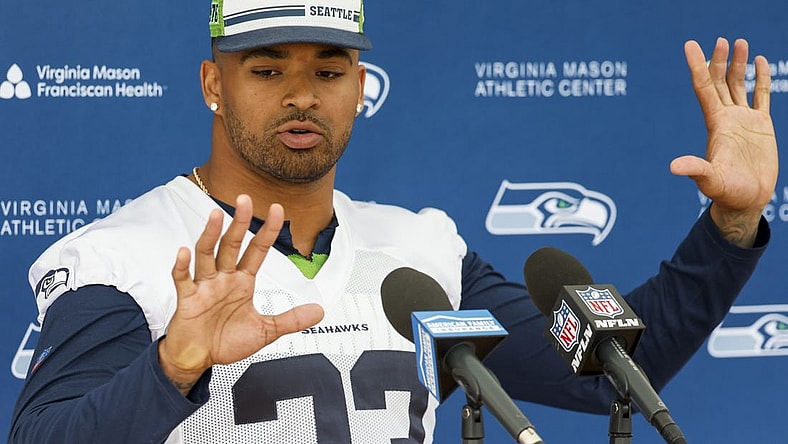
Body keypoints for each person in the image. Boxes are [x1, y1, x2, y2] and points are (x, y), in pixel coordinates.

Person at [9, 1, 778, 443]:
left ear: (360, 86)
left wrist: (732, 222)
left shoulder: (422, 253)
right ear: (214, 82)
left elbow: (605, 374)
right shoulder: (124, 257)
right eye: (269, 68)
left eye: (328, 70)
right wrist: (172, 367)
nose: (302, 95)